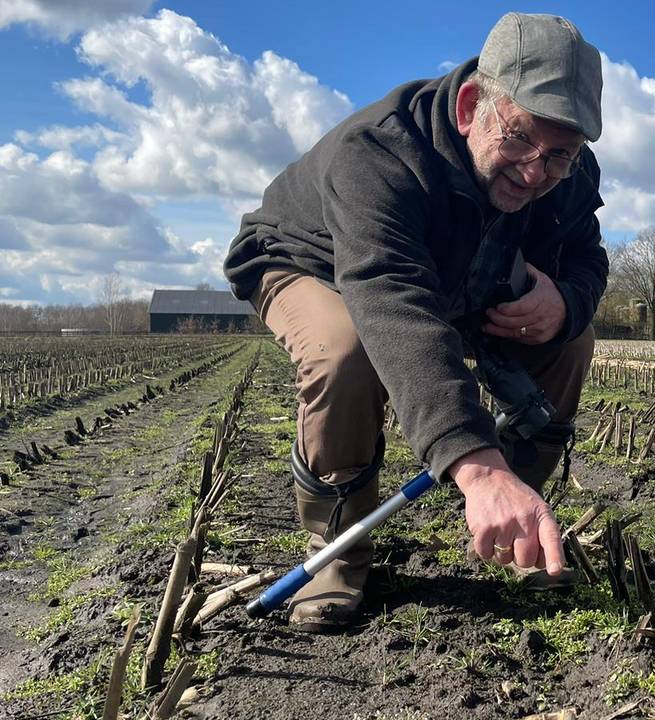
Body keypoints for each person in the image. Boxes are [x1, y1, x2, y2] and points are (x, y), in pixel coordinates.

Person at [223, 12, 607, 632]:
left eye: (559, 155)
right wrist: (471, 461)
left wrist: (567, 302)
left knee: (569, 339)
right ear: (470, 106)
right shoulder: (378, 153)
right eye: (518, 140)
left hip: (465, 271)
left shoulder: (566, 169)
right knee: (344, 349)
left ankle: (519, 526)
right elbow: (390, 297)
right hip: (316, 261)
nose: (536, 172)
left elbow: (587, 257)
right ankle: (337, 556)